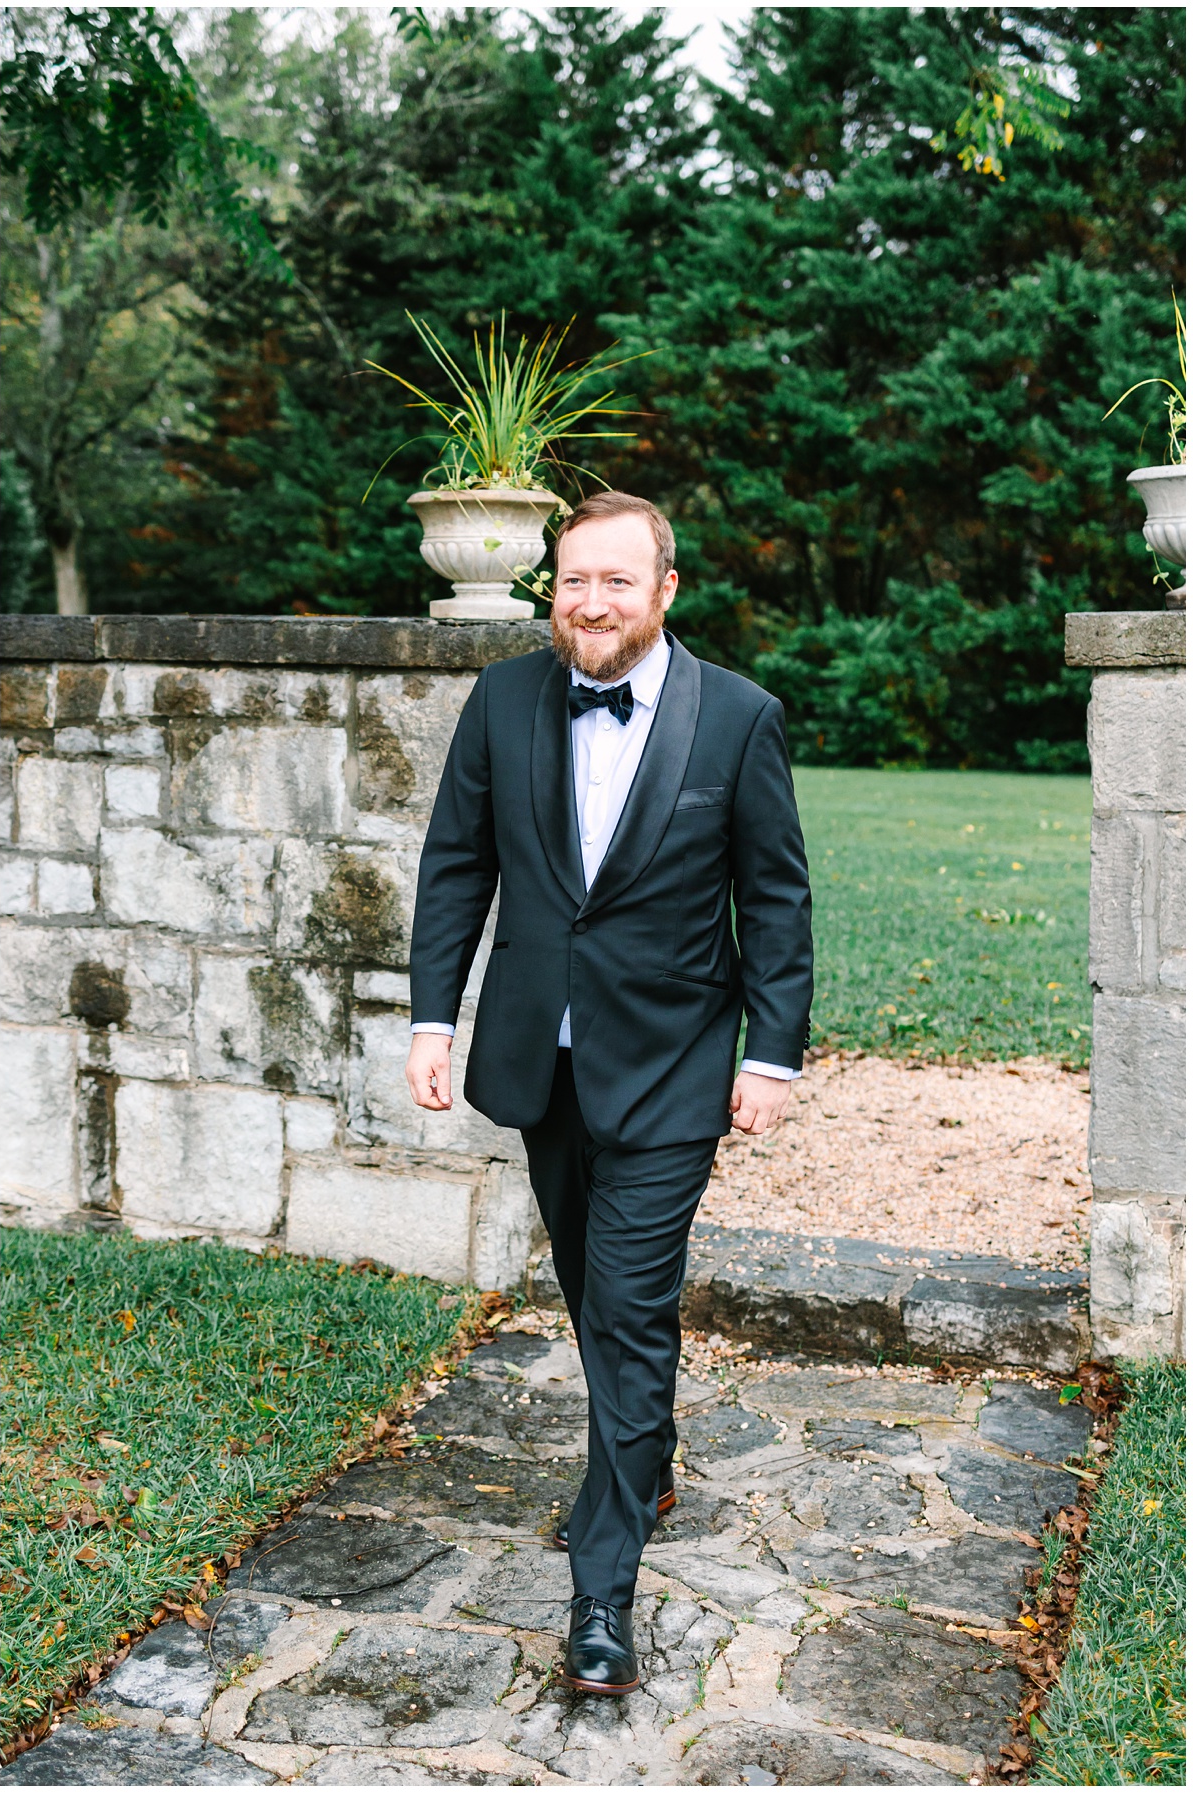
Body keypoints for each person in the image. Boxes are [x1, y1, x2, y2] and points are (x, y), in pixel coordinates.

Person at [405, 491, 813, 1695]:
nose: (589, 602)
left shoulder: (739, 718)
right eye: (572, 580)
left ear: (665, 589)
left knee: (629, 1307)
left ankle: (602, 1590)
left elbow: (775, 896)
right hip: (544, 1059)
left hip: (676, 1063)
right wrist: (435, 1018)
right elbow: (455, 866)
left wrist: (772, 1051)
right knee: (594, 1287)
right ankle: (654, 1448)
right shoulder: (502, 700)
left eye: (616, 582)